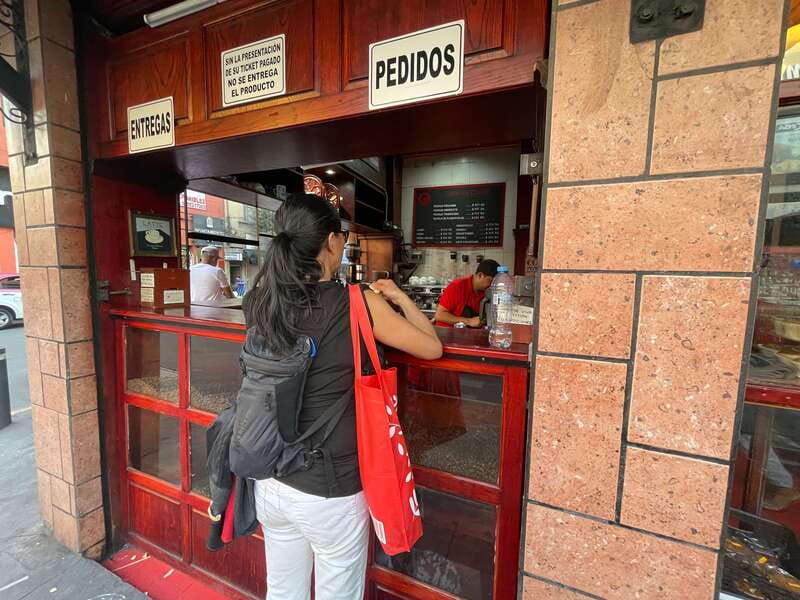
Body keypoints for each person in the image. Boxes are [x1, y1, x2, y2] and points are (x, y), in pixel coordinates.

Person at [242, 194, 442, 600]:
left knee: (282, 593)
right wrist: (399, 297)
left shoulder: (260, 302)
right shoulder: (356, 302)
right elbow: (431, 347)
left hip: (270, 479)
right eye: (343, 238)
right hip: (329, 490)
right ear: (332, 241)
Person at [434, 259, 499, 327]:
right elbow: (439, 315)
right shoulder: (457, 286)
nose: (492, 285)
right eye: (490, 281)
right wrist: (469, 321)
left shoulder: (486, 292)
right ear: (480, 275)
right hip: (448, 331)